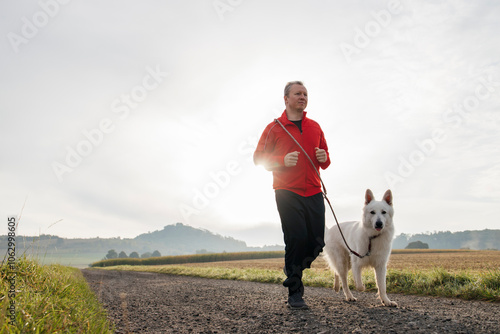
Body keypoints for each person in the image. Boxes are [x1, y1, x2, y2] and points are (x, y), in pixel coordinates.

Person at [253, 81, 331, 309]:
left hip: (314, 191)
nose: (303, 97)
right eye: (298, 93)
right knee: (295, 238)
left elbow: (326, 159)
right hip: (287, 191)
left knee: (317, 243)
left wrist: (323, 158)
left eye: (305, 94)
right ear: (286, 99)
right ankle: (295, 293)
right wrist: (281, 161)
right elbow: (258, 158)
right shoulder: (274, 128)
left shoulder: (315, 127)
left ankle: (292, 267)